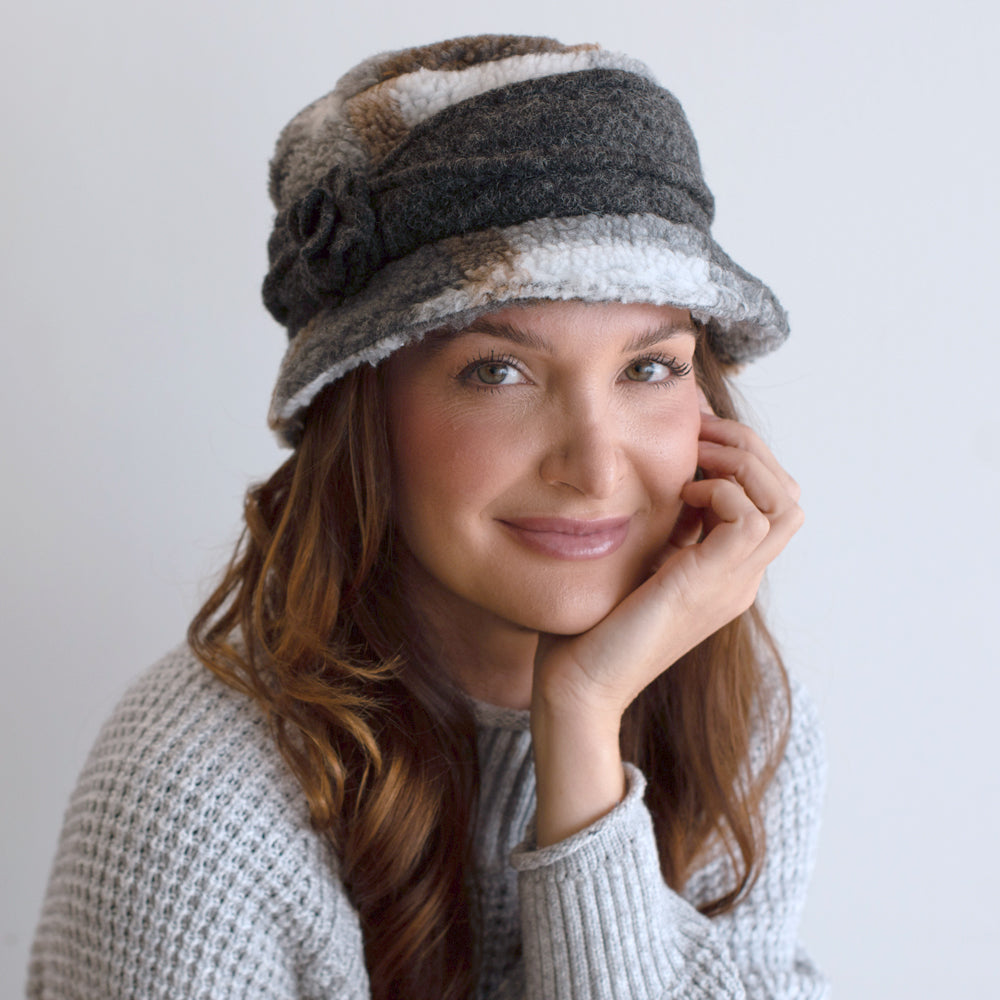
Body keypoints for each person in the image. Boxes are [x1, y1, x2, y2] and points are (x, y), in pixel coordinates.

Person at [27, 34, 827, 1000]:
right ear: (366, 416)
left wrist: (579, 728)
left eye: (648, 367)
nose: (596, 463)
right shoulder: (193, 795)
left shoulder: (738, 721)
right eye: (498, 371)